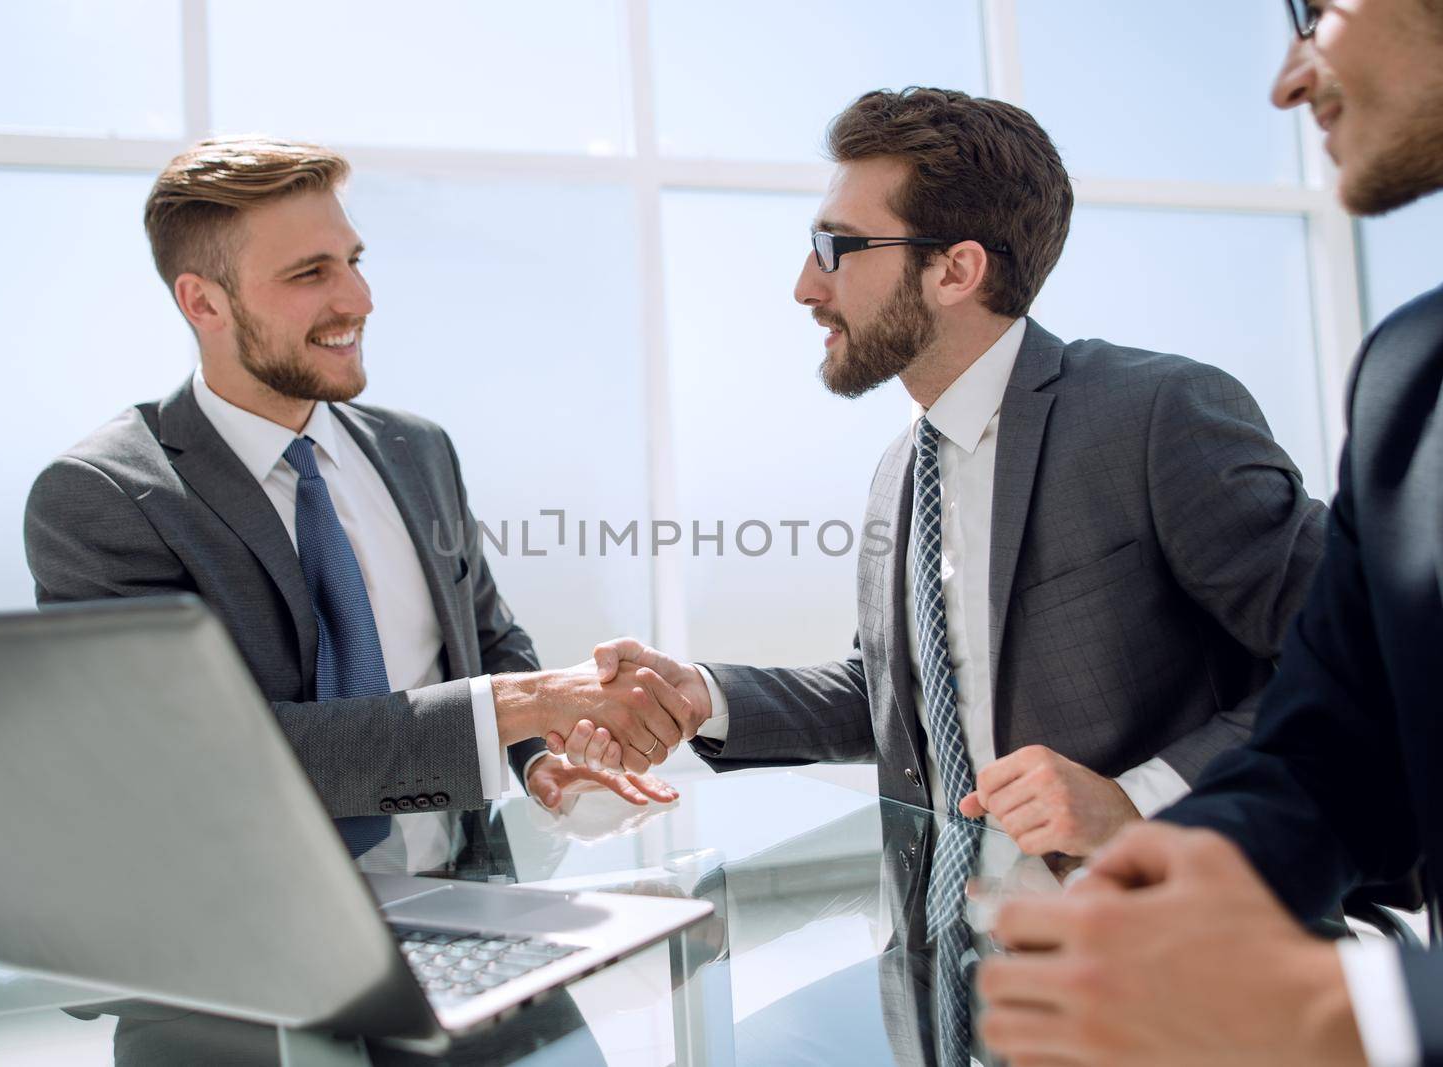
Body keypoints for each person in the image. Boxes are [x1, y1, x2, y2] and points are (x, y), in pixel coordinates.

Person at [563, 87, 1327, 862]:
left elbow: (1348, 650)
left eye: (837, 248)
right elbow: (894, 695)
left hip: (1161, 940)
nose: (805, 285)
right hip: (952, 952)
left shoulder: (1155, 413)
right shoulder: (902, 469)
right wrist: (705, 696)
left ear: (955, 270)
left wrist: (1138, 798)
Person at [978, 2, 1443, 1064]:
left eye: (1318, 10)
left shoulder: (1152, 410)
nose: (1286, 82)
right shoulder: (1409, 380)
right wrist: (1159, 891)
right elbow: (1332, 748)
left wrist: (1360, 1019)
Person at [23, 137, 694, 857]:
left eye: (354, 261)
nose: (360, 299)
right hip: (261, 938)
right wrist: (522, 704)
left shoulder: (419, 450)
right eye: (311, 273)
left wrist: (535, 753)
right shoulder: (104, 498)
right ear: (203, 301)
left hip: (470, 895)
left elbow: (485, 638)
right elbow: (194, 755)